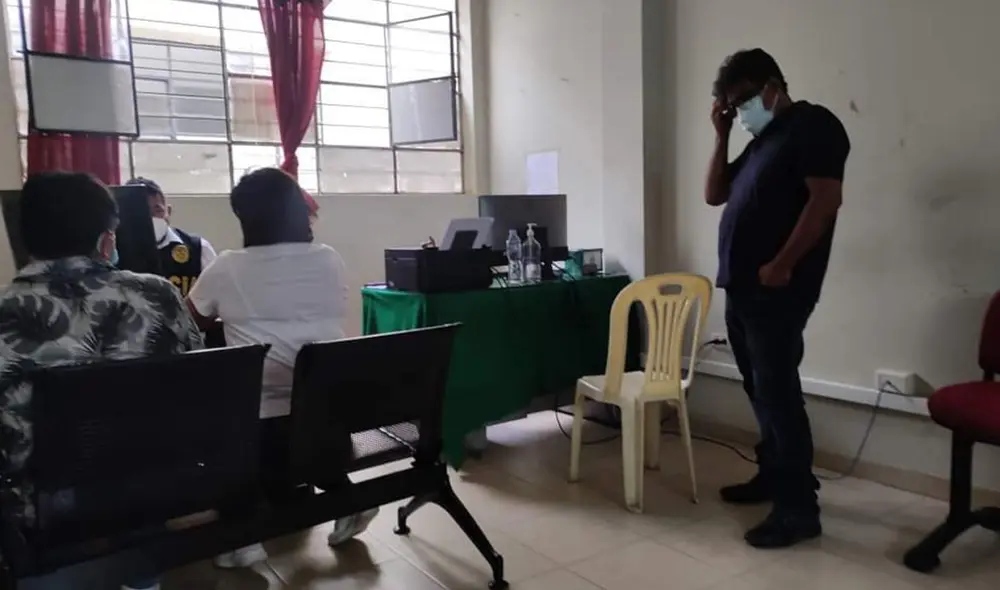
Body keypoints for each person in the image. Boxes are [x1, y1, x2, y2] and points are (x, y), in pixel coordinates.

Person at [0, 172, 203, 590]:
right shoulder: (157, 295)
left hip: (37, 512)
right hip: (148, 492)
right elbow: (197, 377)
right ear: (107, 240)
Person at [185, 167, 377, 569]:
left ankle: (243, 535)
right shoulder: (329, 258)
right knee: (293, 400)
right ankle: (348, 499)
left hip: (261, 430)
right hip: (328, 420)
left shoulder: (228, 266)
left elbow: (188, 322)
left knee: (211, 403)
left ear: (245, 218)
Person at [704, 48, 850, 549]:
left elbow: (826, 200)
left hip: (778, 289)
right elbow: (715, 194)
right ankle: (774, 476)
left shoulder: (812, 125)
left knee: (779, 395)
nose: (740, 110)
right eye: (731, 104)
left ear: (773, 86)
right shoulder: (762, 142)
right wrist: (721, 134)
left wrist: (784, 263)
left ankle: (798, 510)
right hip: (743, 289)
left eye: (744, 99)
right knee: (760, 390)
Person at [126, 177, 217, 297]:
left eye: (157, 210)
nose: (150, 217)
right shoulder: (116, 251)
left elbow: (218, 294)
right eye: (141, 212)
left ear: (168, 211)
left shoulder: (198, 249)